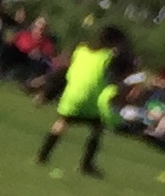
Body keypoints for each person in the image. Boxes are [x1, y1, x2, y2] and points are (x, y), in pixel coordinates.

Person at [35, 23, 130, 176]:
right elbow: (120, 74)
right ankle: (86, 165)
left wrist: (47, 94)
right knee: (98, 127)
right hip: (91, 99)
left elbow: (64, 71)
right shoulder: (109, 57)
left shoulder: (81, 50)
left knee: (62, 122)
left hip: (71, 96)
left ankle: (42, 156)